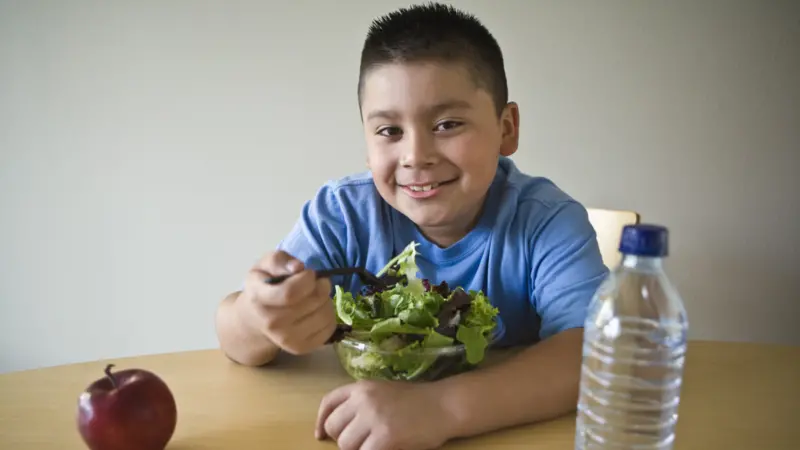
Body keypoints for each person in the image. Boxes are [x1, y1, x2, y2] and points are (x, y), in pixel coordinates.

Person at [215, 3, 608, 449]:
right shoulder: (343, 215)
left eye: (447, 124)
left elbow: (595, 352)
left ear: (506, 129)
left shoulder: (547, 222)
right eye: (389, 131)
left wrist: (441, 408)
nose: (416, 155)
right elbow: (234, 337)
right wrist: (257, 316)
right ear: (366, 141)